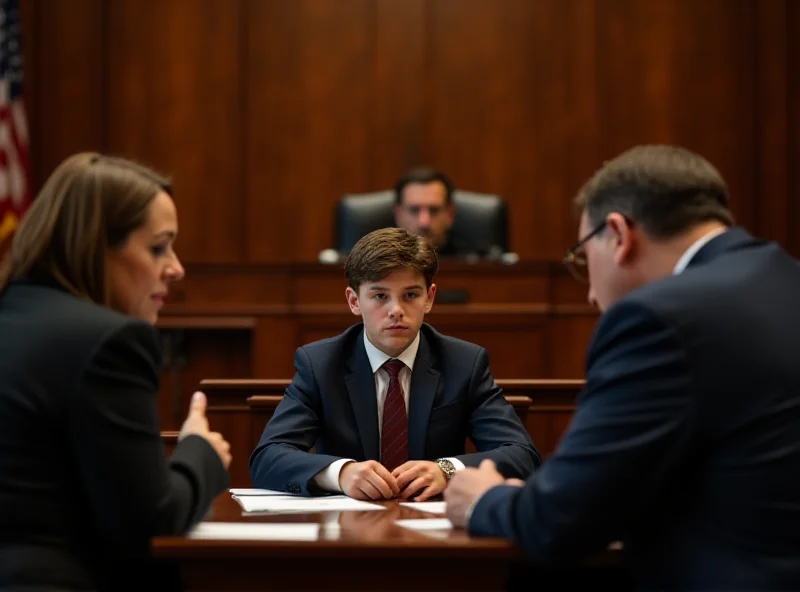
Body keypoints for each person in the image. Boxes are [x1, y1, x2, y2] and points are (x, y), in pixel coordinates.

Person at [444, 144, 800, 590]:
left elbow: (559, 521)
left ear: (618, 234)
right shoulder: (786, 277)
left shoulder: (657, 318)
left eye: (583, 257)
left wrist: (484, 500)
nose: (592, 295)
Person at [0, 153, 231, 591]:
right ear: (96, 246)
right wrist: (200, 451)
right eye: (158, 247)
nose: (176, 268)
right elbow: (147, 520)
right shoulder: (110, 341)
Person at [250, 227, 538, 500]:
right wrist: (340, 473)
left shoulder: (464, 363)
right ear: (354, 301)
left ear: (430, 298)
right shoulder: (321, 364)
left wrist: (446, 470)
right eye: (380, 296)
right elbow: (268, 457)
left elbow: (521, 454)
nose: (396, 311)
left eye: (410, 295)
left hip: (434, 529)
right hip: (347, 532)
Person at [393, 166, 473, 257]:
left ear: (450, 214)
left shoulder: (474, 261)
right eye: (414, 210)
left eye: (434, 210)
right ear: (398, 214)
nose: (424, 222)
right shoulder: (378, 263)